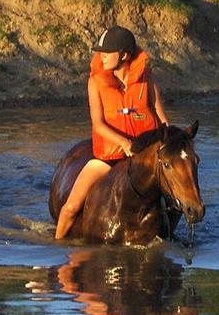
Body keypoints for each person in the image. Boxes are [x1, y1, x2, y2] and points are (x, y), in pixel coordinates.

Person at [55, 26, 169, 240]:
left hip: (143, 160)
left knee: (173, 201)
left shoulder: (147, 80)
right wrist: (125, 143)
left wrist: (171, 144)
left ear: (124, 55)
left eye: (107, 53)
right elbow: (98, 124)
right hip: (107, 159)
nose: (102, 57)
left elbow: (162, 119)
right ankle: (56, 249)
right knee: (71, 207)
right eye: (100, 52)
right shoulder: (95, 83)